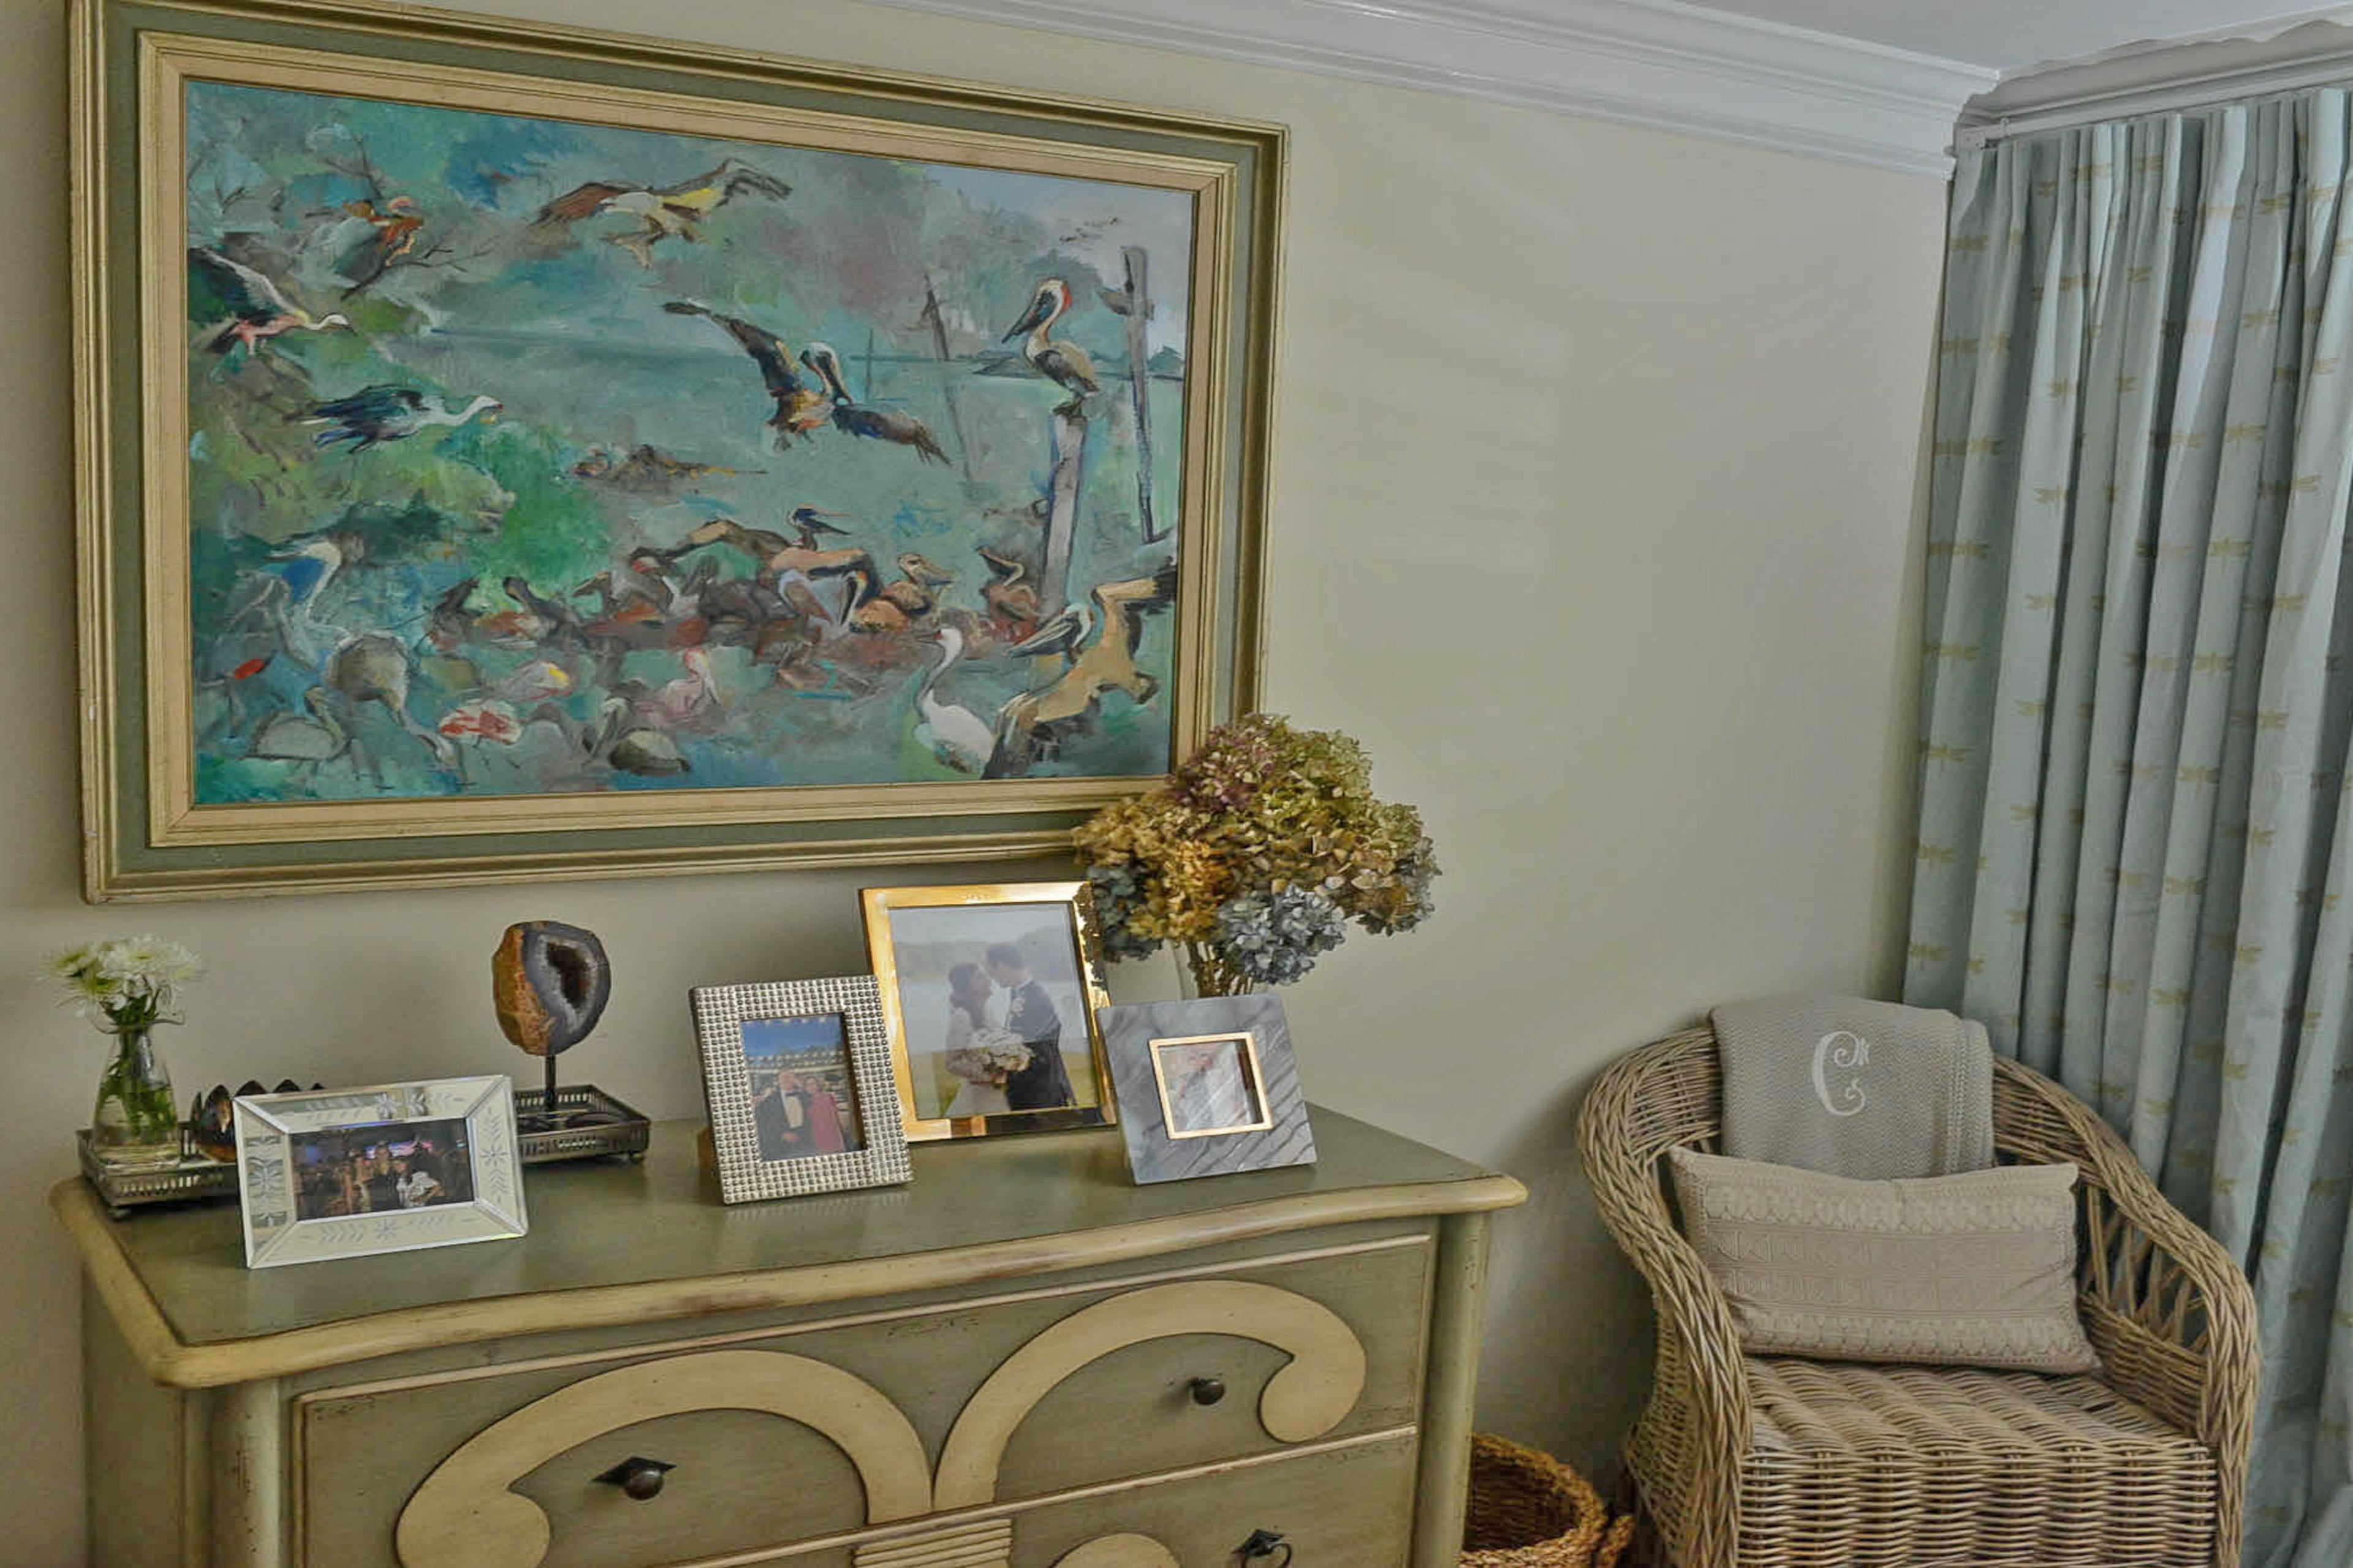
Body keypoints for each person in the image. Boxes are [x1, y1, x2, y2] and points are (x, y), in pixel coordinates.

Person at [987, 942, 1076, 1112]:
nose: (992, 977)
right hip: (1027, 1088)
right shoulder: (1019, 993)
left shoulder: (1036, 998)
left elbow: (1045, 1050)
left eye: (992, 971)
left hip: (1039, 1092)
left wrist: (1006, 1062)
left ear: (1001, 966)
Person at [942, 961, 1012, 1117]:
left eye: (986, 976)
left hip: (997, 1094)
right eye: (981, 978)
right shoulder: (961, 1017)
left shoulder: (988, 1011)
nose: (989, 980)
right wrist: (988, 1075)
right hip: (978, 1098)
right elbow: (951, 1062)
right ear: (968, 987)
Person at [803, 1073, 852, 1154]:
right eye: (807, 1085)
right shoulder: (806, 1102)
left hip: (832, 1134)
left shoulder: (828, 1097)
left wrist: (841, 1140)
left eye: (813, 1084)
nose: (811, 1087)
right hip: (817, 1137)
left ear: (818, 1085)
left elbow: (835, 1118)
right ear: (805, 1088)